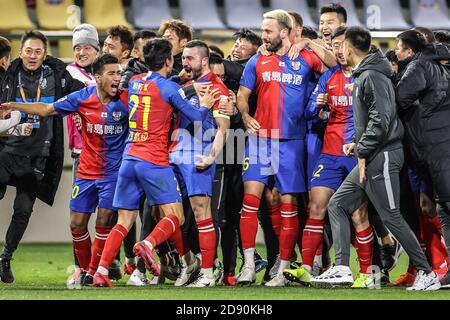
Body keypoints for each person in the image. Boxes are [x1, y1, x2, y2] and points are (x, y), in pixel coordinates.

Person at [311, 27, 440, 291]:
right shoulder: (367, 74)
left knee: (391, 216)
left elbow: (382, 120)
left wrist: (362, 148)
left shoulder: (372, 75)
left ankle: (427, 273)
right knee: (337, 204)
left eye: (340, 45)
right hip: (371, 154)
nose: (337, 50)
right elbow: (376, 119)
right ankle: (342, 269)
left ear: (348, 47)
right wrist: (360, 145)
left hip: (382, 156)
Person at [90, 38, 219, 288]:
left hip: (129, 158)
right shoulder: (169, 89)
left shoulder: (137, 82)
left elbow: (160, 87)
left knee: (124, 220)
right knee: (176, 217)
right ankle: (148, 244)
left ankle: (101, 271)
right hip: (154, 160)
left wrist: (178, 81)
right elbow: (195, 116)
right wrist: (206, 105)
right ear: (169, 61)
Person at [1, 54, 129, 287]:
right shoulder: (82, 97)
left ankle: (92, 273)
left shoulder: (127, 100)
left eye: (119, 73)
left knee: (104, 219)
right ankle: (90, 270)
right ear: (98, 78)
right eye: (112, 73)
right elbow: (47, 108)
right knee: (76, 224)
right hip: (86, 171)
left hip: (114, 173)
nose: (117, 78)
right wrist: (14, 104)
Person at [236, 9, 324, 287]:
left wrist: (308, 42)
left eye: (268, 31)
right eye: (263, 30)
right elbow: (242, 95)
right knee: (250, 202)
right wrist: (246, 115)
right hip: (260, 140)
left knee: (288, 204)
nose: (263, 36)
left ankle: (283, 269)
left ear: (284, 32)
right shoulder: (257, 59)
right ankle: (249, 265)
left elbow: (336, 66)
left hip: (292, 142)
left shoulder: (307, 58)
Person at [0, 30, 84, 283]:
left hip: (38, 155)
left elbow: (82, 92)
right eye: (28, 50)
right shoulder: (8, 74)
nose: (33, 56)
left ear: (45, 55)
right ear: (20, 52)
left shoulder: (56, 76)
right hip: (6, 152)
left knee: (23, 210)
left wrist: (57, 65)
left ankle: (5, 259)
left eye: (38, 51)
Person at [168, 40, 231, 287]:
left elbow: (223, 130)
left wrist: (211, 156)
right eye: (183, 58)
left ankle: (207, 272)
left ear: (204, 61)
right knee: (170, 214)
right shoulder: (181, 84)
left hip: (197, 156)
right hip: (173, 156)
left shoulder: (217, 89)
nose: (185, 62)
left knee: (201, 213)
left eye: (190, 58)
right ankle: (189, 263)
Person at [395, 31, 450, 289]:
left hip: (434, 146)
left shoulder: (420, 66)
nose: (396, 49)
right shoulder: (441, 68)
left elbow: (399, 98)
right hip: (439, 144)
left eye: (399, 45)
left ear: (412, 49)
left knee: (444, 207)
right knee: (442, 207)